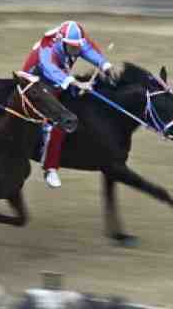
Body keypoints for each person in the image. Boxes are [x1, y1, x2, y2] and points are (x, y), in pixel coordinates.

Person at [19, 20, 112, 188]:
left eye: (77, 46)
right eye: (72, 47)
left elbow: (88, 49)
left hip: (57, 79)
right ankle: (50, 168)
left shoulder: (77, 36)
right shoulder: (47, 48)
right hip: (37, 84)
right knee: (58, 121)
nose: (76, 50)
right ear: (62, 42)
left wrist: (104, 65)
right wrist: (75, 83)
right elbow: (51, 70)